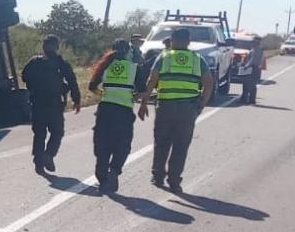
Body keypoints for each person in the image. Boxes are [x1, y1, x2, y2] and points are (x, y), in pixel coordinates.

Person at [137, 28, 214, 193]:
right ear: (188, 42)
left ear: (172, 41)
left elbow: (152, 80)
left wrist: (144, 103)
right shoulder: (198, 59)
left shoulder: (164, 57)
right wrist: (202, 103)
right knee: (181, 145)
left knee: (161, 142)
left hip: (165, 106)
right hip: (188, 108)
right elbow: (208, 83)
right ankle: (174, 181)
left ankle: (158, 176)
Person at [22, 35, 81, 174]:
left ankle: (39, 162)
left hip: (37, 103)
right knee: (57, 132)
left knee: (39, 134)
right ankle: (48, 155)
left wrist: (35, 85)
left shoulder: (34, 62)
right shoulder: (61, 63)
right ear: (57, 47)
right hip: (54, 103)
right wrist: (76, 99)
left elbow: (24, 77)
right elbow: (72, 81)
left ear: (43, 47)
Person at [88, 39, 138, 193]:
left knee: (103, 141)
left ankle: (101, 172)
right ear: (128, 52)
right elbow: (142, 90)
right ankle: (114, 171)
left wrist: (105, 94)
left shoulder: (105, 65)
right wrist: (133, 97)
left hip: (105, 109)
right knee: (122, 144)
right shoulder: (134, 68)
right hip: (124, 111)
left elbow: (92, 87)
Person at [239, 35, 264, 104]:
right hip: (256, 68)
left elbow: (252, 60)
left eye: (254, 42)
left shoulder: (256, 50)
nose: (252, 43)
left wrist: (246, 66)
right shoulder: (258, 49)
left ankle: (245, 99)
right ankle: (251, 100)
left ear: (257, 42)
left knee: (247, 84)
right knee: (252, 85)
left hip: (252, 68)